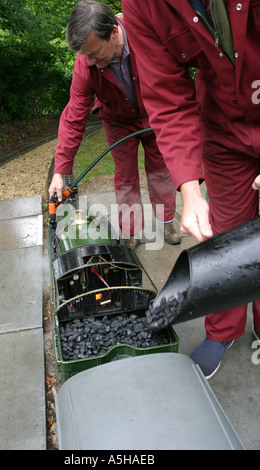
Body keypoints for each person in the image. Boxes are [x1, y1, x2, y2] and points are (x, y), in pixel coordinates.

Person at [121, 0, 260, 378]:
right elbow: (166, 95)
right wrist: (189, 189)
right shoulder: (140, 5)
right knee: (227, 236)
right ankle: (222, 332)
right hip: (224, 127)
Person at [48, 0, 181, 249]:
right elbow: (74, 116)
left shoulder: (146, 33)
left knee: (159, 171)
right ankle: (132, 231)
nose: (89, 60)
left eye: (94, 52)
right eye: (85, 55)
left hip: (154, 115)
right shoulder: (85, 64)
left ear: (114, 32)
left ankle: (166, 221)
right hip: (117, 122)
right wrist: (60, 171)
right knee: (126, 178)